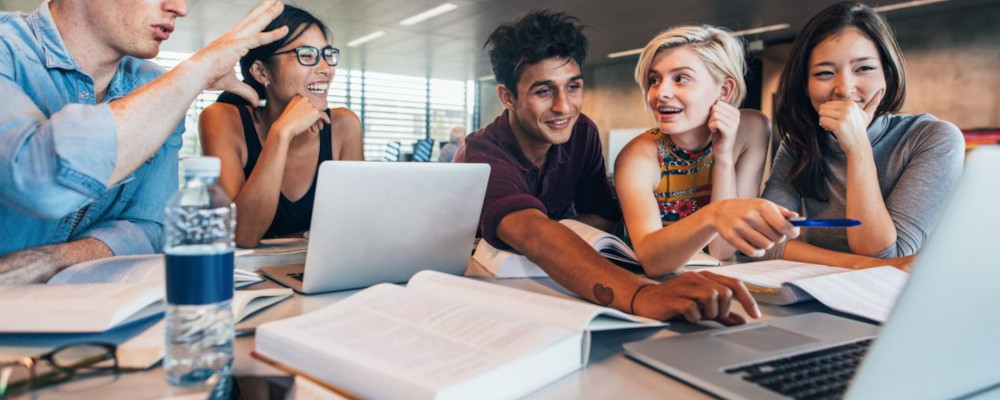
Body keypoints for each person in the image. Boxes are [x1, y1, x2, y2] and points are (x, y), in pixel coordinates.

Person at [457, 10, 761, 325]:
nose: (564, 106)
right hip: (483, 288)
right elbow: (531, 231)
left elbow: (601, 217)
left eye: (573, 87)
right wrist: (640, 294)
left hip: (552, 281)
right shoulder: (483, 152)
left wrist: (558, 234)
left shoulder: (581, 132)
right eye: (544, 91)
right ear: (508, 97)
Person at [0, 0, 290, 283]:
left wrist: (58, 259)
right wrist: (197, 70)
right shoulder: (7, 49)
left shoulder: (153, 84)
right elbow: (38, 181)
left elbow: (153, 226)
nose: (181, 8)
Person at [761, 2, 965, 269]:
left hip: (901, 301)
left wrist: (857, 147)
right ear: (806, 86)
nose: (844, 89)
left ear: (887, 75)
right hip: (818, 294)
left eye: (864, 69)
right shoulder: (798, 142)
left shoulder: (934, 139)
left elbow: (884, 255)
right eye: (824, 73)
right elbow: (765, 242)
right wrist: (858, 265)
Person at [614, 25, 800, 277]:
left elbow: (724, 249)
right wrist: (715, 215)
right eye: (654, 80)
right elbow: (652, 261)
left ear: (724, 91)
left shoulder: (752, 129)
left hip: (718, 277)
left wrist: (723, 158)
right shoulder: (637, 157)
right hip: (654, 283)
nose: (661, 93)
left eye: (680, 78)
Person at [199, 5, 363, 248]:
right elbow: (242, 235)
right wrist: (282, 133)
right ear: (261, 71)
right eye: (306, 55)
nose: (326, 69)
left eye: (327, 55)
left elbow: (356, 227)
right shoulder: (222, 119)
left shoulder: (344, 125)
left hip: (318, 272)